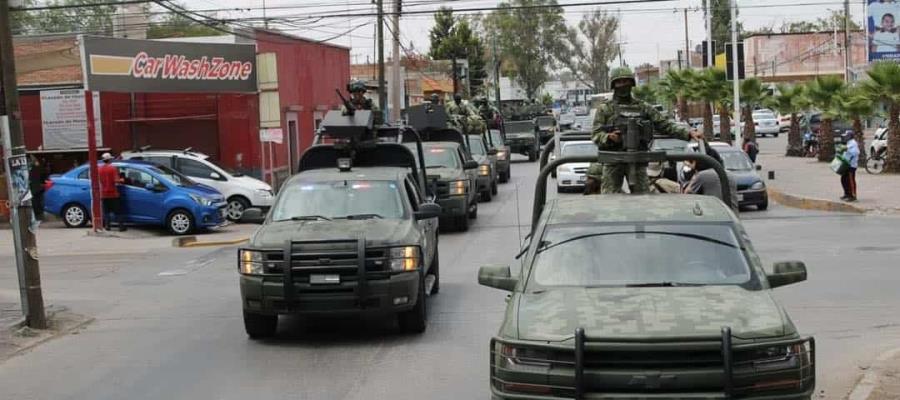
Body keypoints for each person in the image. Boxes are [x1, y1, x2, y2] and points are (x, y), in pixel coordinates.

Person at [591, 66, 702, 194]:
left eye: (626, 81)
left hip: (638, 158)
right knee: (609, 198)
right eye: (619, 82)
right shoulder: (605, 109)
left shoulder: (643, 107)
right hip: (614, 160)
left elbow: (664, 125)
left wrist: (688, 133)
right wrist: (609, 137)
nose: (623, 85)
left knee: (643, 198)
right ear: (613, 84)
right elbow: (595, 134)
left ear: (632, 83)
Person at [98, 153, 126, 231]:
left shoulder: (99, 169)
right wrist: (122, 179)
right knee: (118, 211)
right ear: (109, 159)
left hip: (103, 194)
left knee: (106, 212)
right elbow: (116, 180)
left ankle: (107, 226)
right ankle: (121, 227)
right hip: (113, 193)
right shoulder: (112, 168)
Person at [840, 131, 859, 202]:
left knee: (850, 180)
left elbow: (856, 152)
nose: (845, 137)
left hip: (851, 165)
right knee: (843, 179)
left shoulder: (853, 143)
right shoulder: (848, 143)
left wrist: (847, 149)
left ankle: (853, 196)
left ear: (850, 136)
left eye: (846, 136)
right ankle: (847, 194)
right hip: (846, 164)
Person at [28, 155, 47, 221]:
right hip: (38, 188)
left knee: (35, 203)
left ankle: (38, 217)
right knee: (39, 202)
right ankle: (40, 217)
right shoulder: (39, 168)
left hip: (34, 188)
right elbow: (44, 176)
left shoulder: (31, 169)